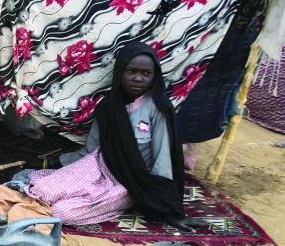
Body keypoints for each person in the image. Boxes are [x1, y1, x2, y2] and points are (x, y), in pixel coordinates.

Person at [23, 42, 204, 232]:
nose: (138, 78)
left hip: (130, 182)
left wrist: (170, 211)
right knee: (41, 191)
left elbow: (163, 159)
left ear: (154, 75)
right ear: (120, 72)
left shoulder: (157, 109)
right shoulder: (108, 105)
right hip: (98, 165)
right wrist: (50, 164)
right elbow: (91, 149)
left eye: (146, 73)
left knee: (61, 212)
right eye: (131, 71)